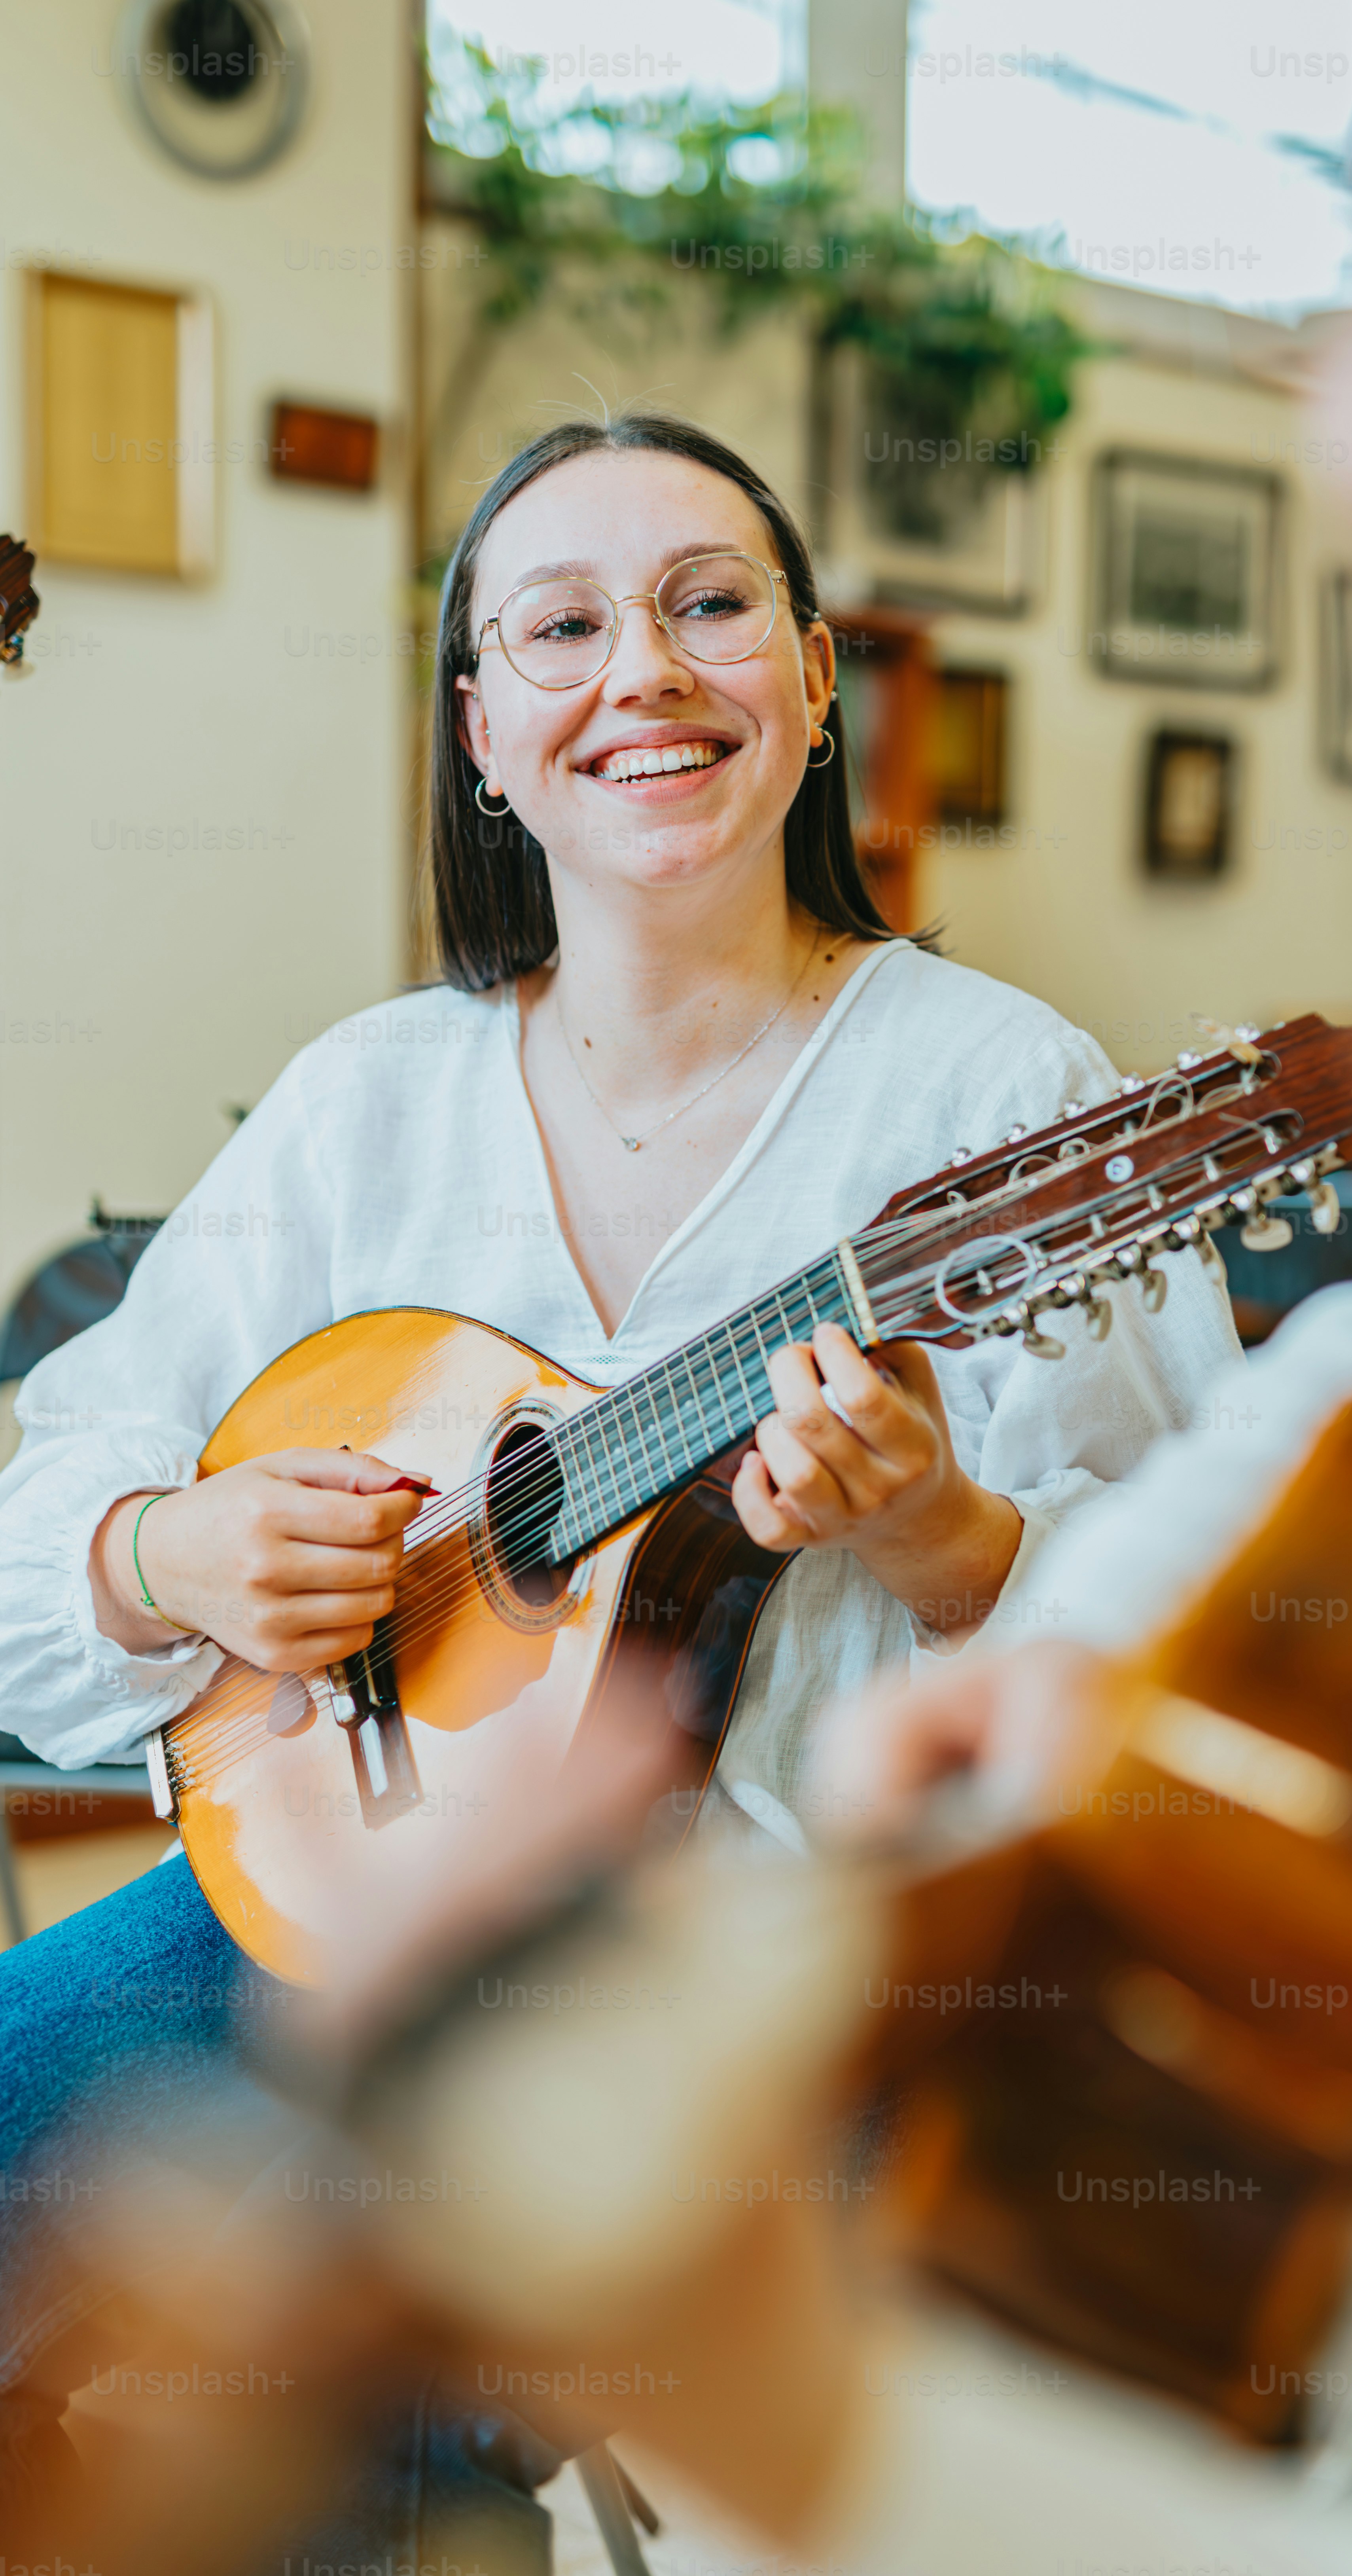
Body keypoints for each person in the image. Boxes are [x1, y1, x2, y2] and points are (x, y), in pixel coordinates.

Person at [0, 413, 1237, 2548]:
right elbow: (60, 1510)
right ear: (483, 729)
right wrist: (168, 1548)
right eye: (560, 626)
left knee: (348, 2297)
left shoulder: (1001, 1099)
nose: (642, 673)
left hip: (779, 1961)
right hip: (331, 1895)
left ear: (819, 675)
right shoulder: (367, 1099)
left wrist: (942, 1537)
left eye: (708, 604)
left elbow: (1186, 1668)